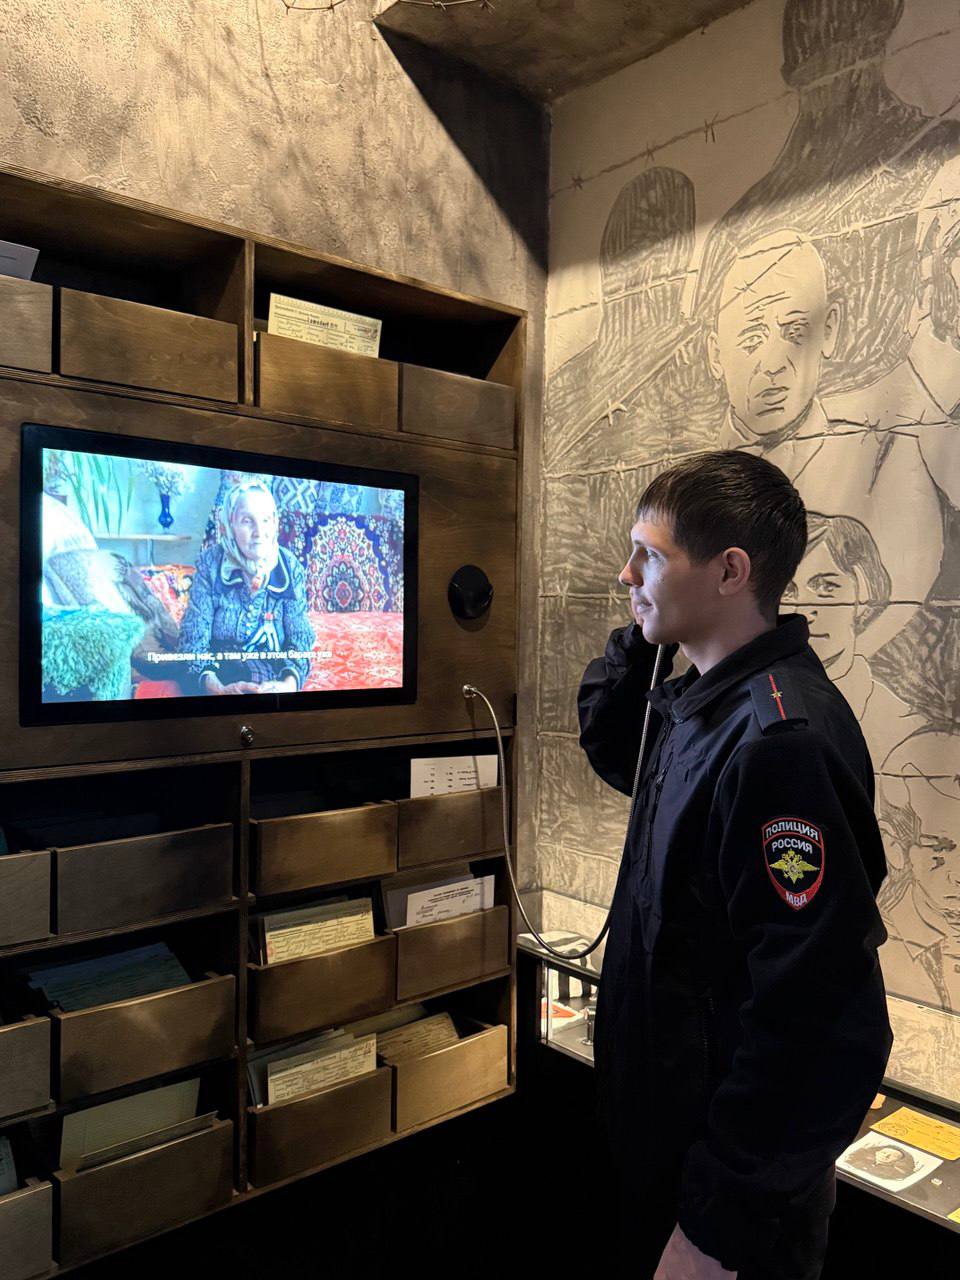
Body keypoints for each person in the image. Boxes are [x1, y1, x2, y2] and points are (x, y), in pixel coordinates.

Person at [578, 450, 891, 1279]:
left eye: (649, 556)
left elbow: (821, 1021)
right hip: (662, 1150)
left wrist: (717, 1228)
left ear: (729, 572)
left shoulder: (778, 743)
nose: (626, 574)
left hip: (727, 1209)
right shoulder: (699, 703)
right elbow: (611, 743)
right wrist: (651, 628)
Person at [709, 232, 942, 650]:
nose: (774, 364)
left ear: (829, 330)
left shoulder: (884, 455)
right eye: (751, 339)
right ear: (715, 353)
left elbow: (895, 609)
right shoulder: (686, 483)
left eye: (796, 332)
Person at [178, 479, 315, 695]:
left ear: (275, 522)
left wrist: (288, 684)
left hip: (274, 677)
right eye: (247, 521)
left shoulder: (290, 566)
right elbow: (193, 639)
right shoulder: (210, 564)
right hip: (219, 672)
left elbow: (300, 638)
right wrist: (217, 689)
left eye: (266, 520)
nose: (259, 532)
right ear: (229, 525)